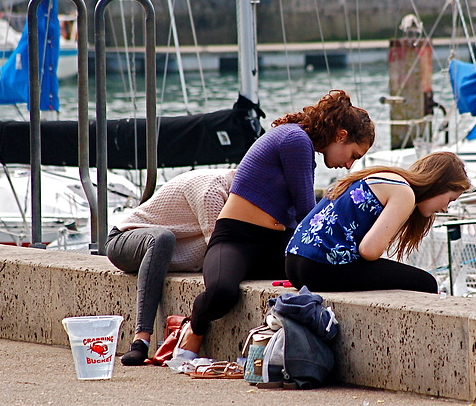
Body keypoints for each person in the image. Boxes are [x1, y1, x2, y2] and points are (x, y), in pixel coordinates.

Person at [173, 90, 375, 360]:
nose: (349, 164)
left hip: (275, 244)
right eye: (354, 155)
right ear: (341, 136)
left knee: (327, 271)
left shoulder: (303, 145)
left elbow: (298, 220)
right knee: (221, 292)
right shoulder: (296, 140)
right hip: (236, 239)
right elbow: (307, 213)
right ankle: (193, 328)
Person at [285, 152, 471, 293]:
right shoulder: (404, 192)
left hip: (294, 263)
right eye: (450, 200)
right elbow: (369, 251)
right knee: (426, 283)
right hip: (320, 267)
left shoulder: (384, 176)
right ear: (438, 184)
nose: (446, 209)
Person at [106, 168, 236, 366]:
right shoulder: (212, 191)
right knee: (163, 238)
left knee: (164, 240)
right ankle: (141, 340)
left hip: (169, 256)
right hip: (125, 240)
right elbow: (218, 248)